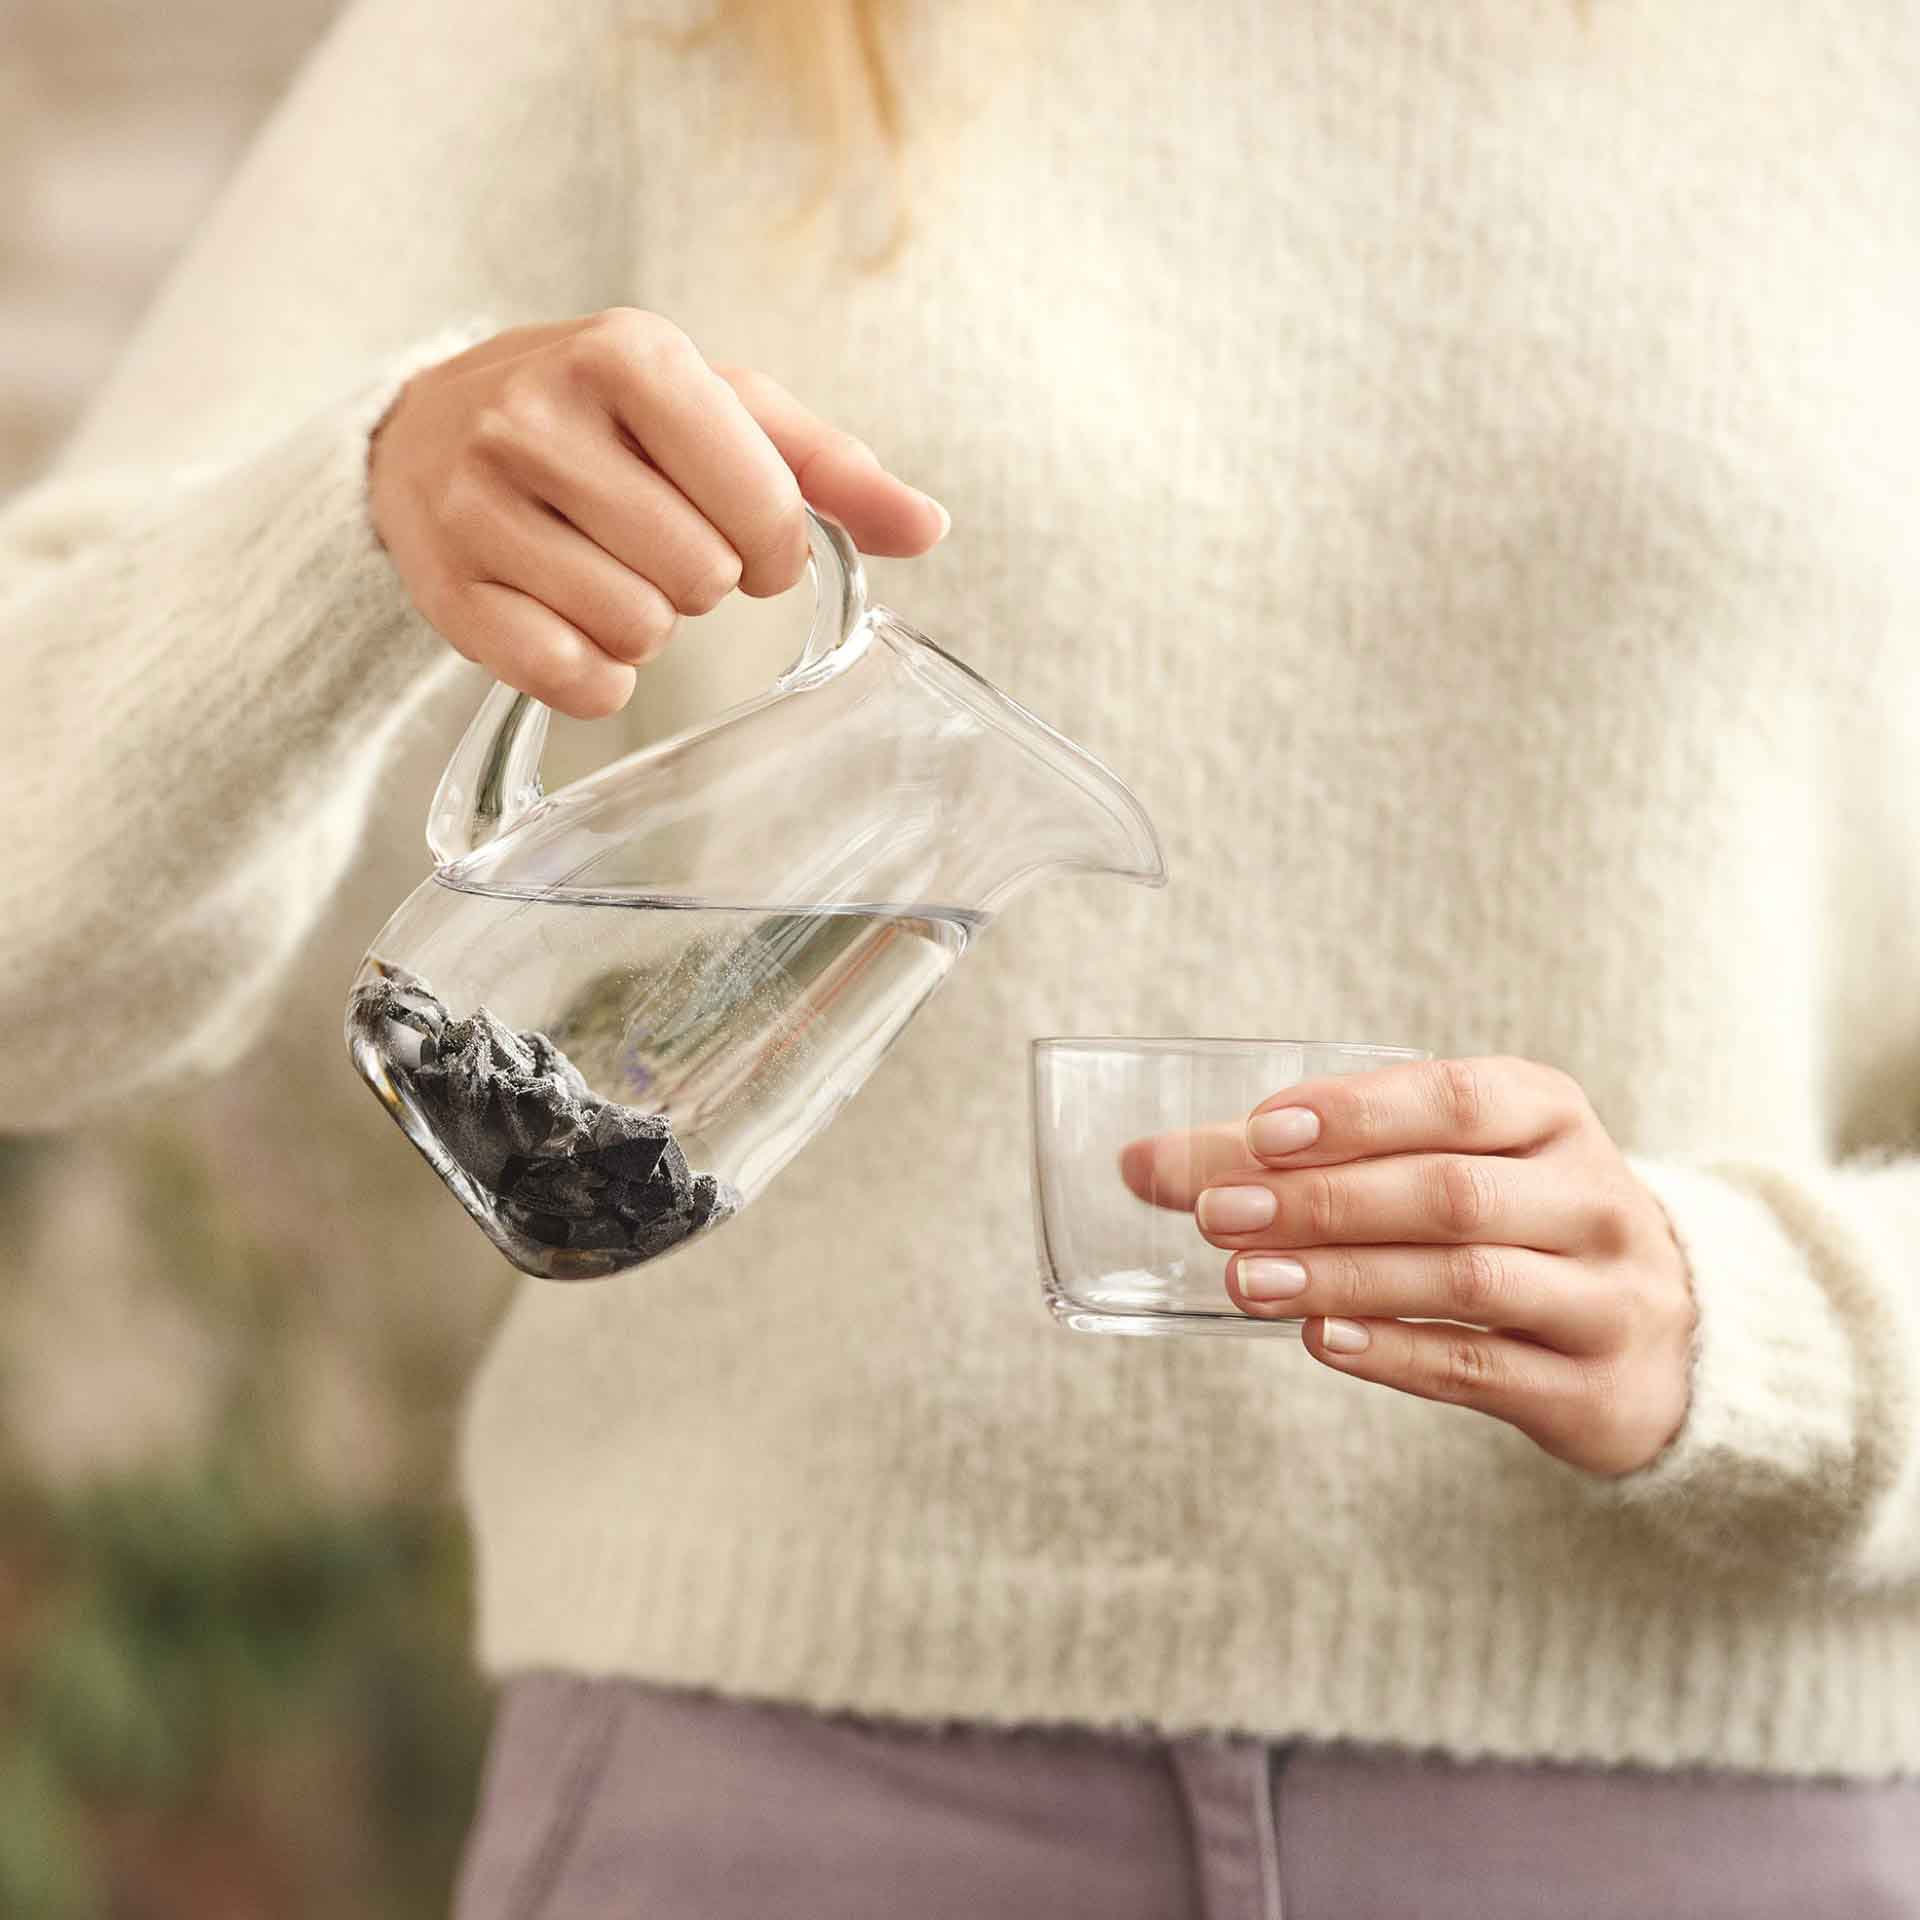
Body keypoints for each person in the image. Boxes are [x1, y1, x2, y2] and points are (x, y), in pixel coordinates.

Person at [4, 0, 1918, 1912]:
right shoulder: (640, 32)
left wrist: (1767, 1331)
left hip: (1699, 1804)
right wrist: (360, 503)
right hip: (783, 1787)